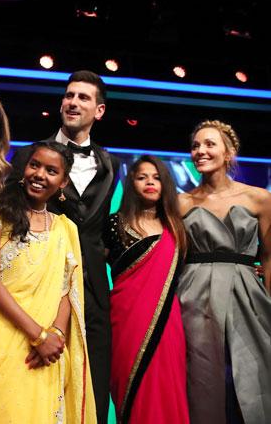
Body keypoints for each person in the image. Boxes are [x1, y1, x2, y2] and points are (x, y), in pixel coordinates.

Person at [11, 70, 119, 422]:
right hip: (41, 286)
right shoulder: (30, 155)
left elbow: (103, 228)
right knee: (40, 377)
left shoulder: (110, 164)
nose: (73, 102)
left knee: (94, 382)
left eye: (83, 98)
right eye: (69, 95)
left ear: (99, 111)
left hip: (94, 291)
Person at [0, 141, 96, 423]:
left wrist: (55, 334)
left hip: (48, 345)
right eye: (35, 165)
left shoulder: (65, 228)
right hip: (2, 335)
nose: (40, 174)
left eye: (51, 170)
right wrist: (38, 336)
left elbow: (67, 290)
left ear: (63, 181)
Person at [177, 120, 271, 424]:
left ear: (228, 153)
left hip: (246, 295)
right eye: (195, 145)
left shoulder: (259, 198)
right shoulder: (180, 202)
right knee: (202, 378)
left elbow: (269, 258)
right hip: (194, 294)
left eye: (209, 144)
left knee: (250, 375)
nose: (200, 151)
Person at [102, 155, 189, 423]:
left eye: (156, 177)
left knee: (167, 383)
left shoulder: (175, 227)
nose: (149, 182)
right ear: (131, 184)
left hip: (168, 321)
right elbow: (92, 269)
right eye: (141, 177)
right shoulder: (115, 224)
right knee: (130, 383)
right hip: (125, 319)